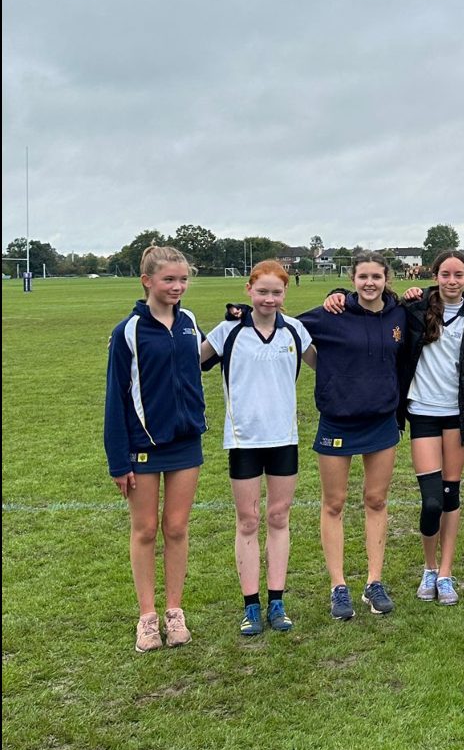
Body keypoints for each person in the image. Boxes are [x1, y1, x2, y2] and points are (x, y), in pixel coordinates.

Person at [201, 260, 315, 635]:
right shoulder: (228, 332)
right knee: (248, 520)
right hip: (243, 440)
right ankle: (251, 606)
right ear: (249, 290)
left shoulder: (295, 331)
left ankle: (277, 601)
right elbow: (183, 359)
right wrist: (129, 347)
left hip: (285, 439)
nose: (269, 299)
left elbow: (333, 363)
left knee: (279, 518)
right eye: (262, 291)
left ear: (285, 294)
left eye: (276, 292)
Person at [104, 245, 206, 652]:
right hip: (142, 447)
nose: (177, 286)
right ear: (147, 281)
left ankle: (174, 612)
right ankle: (147, 617)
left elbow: (195, 370)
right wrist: (118, 459)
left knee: (177, 528)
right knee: (145, 529)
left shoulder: (189, 322)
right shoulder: (127, 331)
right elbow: (116, 397)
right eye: (169, 280)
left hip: (186, 444)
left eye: (182, 280)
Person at [298, 251, 410, 620]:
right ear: (352, 279)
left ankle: (374, 582)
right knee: (334, 504)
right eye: (363, 277)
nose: (369, 283)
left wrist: (413, 294)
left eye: (376, 277)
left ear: (386, 279)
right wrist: (323, 367)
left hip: (381, 420)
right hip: (338, 420)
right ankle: (338, 586)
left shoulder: (398, 314)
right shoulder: (331, 313)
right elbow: (288, 332)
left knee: (376, 500)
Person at [399, 250, 464, 606]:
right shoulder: (416, 309)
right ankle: (428, 566)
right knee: (432, 500)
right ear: (435, 276)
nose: (452, 281)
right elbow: (374, 297)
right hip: (423, 412)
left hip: (458, 416)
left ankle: (446, 573)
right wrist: (340, 292)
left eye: (458, 275)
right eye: (445, 274)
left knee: (451, 496)